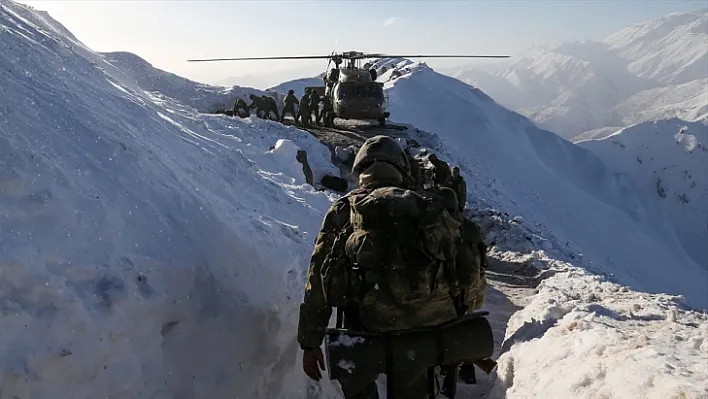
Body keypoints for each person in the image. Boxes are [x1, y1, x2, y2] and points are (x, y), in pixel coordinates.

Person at [297, 135, 486, 399]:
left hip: (367, 327)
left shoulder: (344, 211)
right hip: (427, 327)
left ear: (361, 170)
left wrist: (310, 341)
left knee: (358, 383)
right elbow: (466, 267)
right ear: (401, 168)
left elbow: (318, 279)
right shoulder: (427, 207)